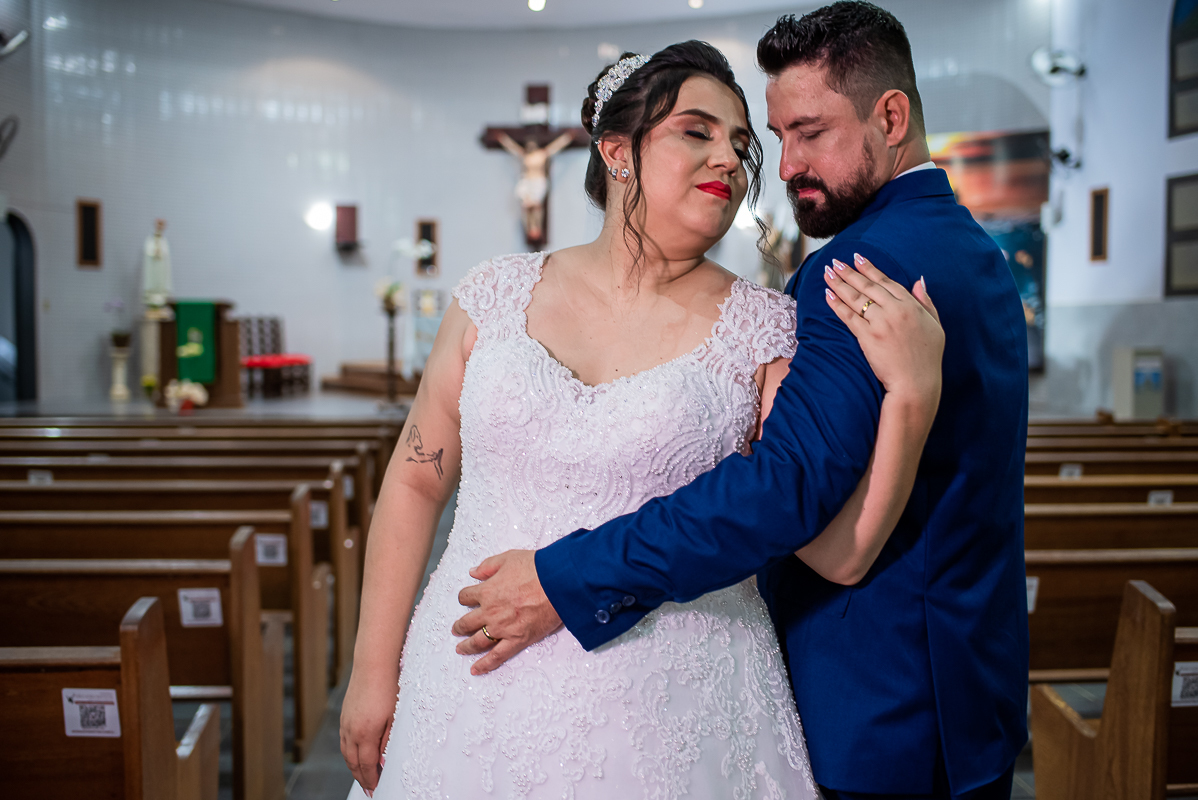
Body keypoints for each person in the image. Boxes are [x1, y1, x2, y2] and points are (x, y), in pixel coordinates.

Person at [452, 4, 1031, 800]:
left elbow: (782, 492)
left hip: (878, 705)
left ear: (891, 118)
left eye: (810, 132)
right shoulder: (976, 252)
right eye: (780, 136)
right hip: (968, 692)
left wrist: (569, 575)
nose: (786, 166)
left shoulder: (858, 270)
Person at [341, 39, 943, 800]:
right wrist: (371, 670)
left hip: (676, 707)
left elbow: (836, 549)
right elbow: (416, 484)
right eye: (697, 131)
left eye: (740, 144)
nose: (729, 158)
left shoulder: (766, 331)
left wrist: (912, 398)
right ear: (617, 151)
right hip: (469, 685)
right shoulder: (491, 297)